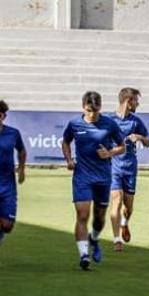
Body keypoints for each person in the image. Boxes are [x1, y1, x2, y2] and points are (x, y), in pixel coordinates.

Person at [62, 91, 125, 270]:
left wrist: (110, 153)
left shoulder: (109, 124)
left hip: (103, 177)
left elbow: (122, 147)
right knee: (82, 214)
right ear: (84, 107)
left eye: (95, 111)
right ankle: (83, 255)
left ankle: (94, 238)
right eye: (89, 110)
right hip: (82, 176)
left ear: (100, 108)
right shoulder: (74, 124)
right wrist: (68, 160)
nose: (92, 114)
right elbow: (65, 142)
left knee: (99, 218)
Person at [109, 88, 149, 252]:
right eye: (135, 101)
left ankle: (125, 224)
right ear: (128, 100)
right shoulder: (109, 120)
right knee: (117, 200)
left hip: (130, 167)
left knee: (128, 206)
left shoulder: (136, 122)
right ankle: (116, 239)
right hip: (113, 166)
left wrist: (140, 137)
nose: (137, 104)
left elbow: (148, 142)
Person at [0, 100, 26, 246]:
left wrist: (22, 168)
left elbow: (21, 151)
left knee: (7, 226)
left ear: (3, 116)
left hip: (7, 185)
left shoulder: (13, 133)